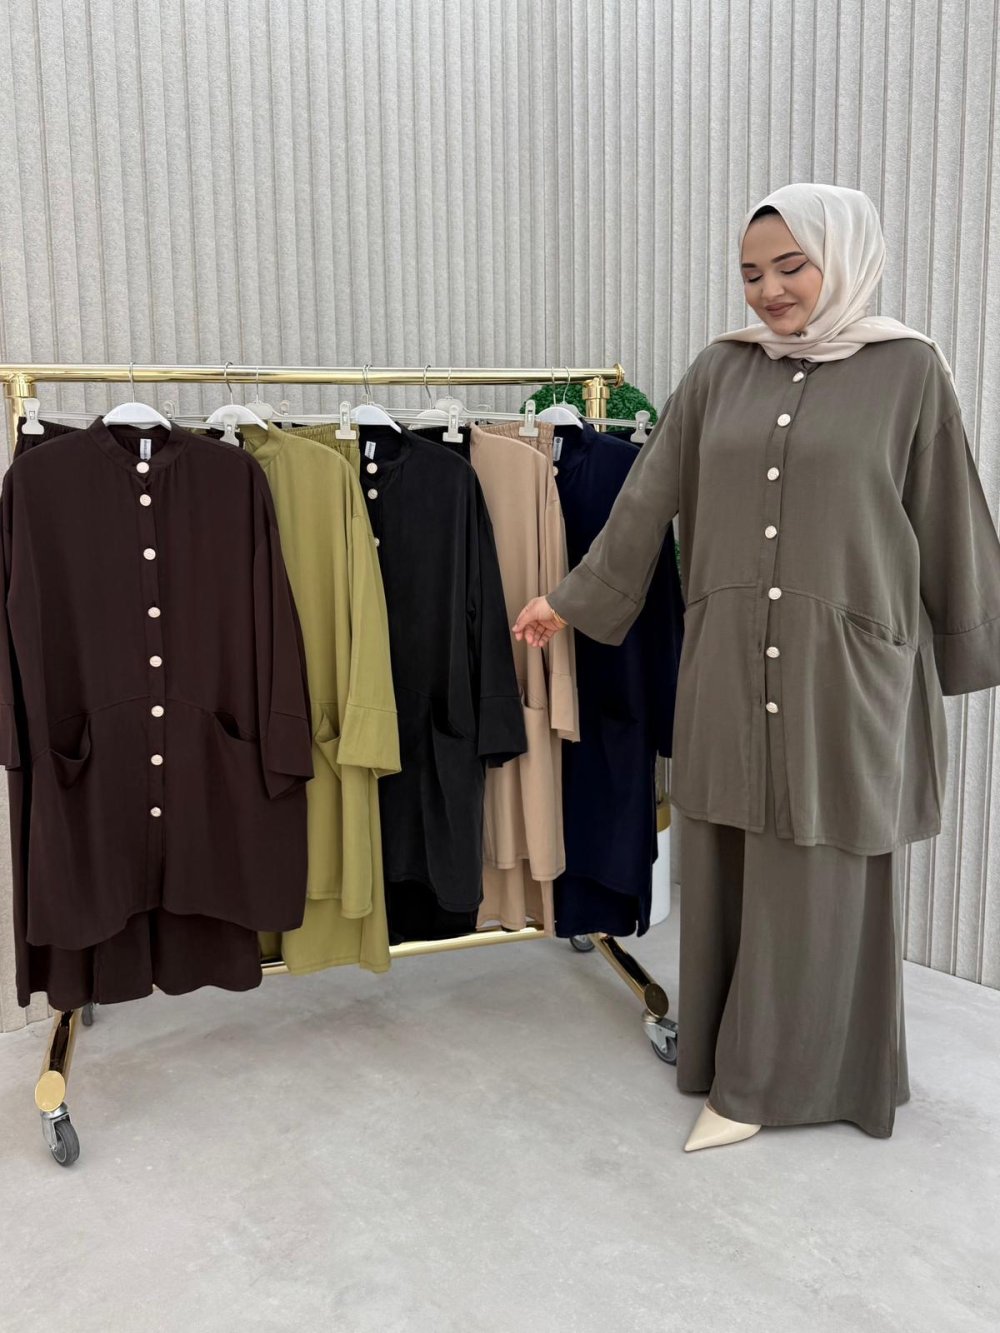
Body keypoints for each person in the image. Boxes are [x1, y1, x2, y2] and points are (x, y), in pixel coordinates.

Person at [514, 183, 1000, 1151]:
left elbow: (947, 513)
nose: (769, 291)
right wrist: (568, 600)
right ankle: (729, 1052)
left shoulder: (908, 371)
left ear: (842, 258)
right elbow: (647, 499)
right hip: (730, 661)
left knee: (821, 870)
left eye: (790, 266)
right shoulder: (719, 370)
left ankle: (771, 1082)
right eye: (750, 273)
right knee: (728, 861)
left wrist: (969, 640)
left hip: (844, 665)